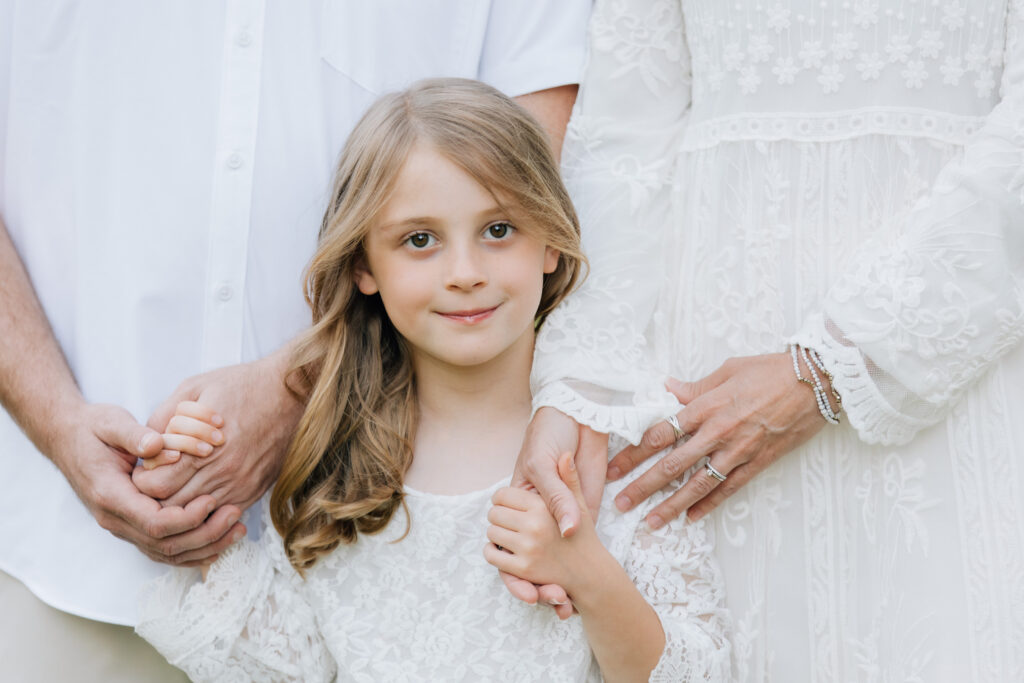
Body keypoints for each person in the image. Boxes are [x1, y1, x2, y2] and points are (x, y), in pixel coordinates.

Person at [0, 2, 589, 680]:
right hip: (55, 547)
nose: (463, 270)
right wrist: (58, 421)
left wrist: (303, 382)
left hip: (368, 489)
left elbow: (538, 156)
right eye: (423, 240)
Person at [133, 79, 731, 682]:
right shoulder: (337, 459)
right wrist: (199, 493)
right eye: (420, 240)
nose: (465, 273)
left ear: (550, 240)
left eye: (499, 230)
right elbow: (291, 670)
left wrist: (586, 570)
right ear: (364, 264)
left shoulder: (615, 441)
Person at [514, 0, 1024, 680]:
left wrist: (835, 362)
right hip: (703, 416)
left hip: (946, 376)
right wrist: (577, 386)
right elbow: (623, 140)